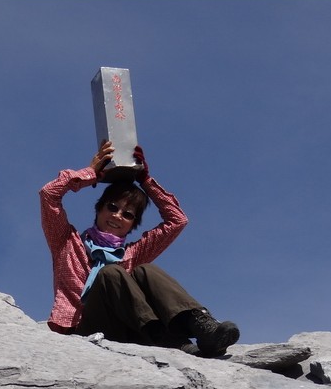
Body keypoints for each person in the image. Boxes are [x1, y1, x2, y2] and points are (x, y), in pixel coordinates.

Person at [39, 140, 239, 357]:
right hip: (84, 330)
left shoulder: (132, 254)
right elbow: (49, 194)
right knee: (111, 273)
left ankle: (202, 327)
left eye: (127, 214)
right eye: (112, 207)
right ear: (99, 208)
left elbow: (177, 220)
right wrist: (89, 174)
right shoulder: (66, 242)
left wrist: (144, 180)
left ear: (132, 224)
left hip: (131, 330)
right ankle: (163, 337)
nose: (117, 216)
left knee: (145, 269)